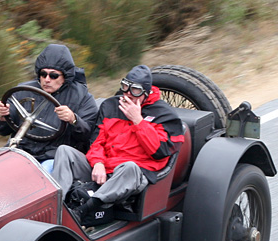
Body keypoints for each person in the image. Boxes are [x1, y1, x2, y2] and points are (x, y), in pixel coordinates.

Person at [52, 64, 184, 223]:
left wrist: (138, 121)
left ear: (146, 93)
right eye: (125, 87)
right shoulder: (110, 106)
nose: (128, 94)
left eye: (135, 91)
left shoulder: (164, 115)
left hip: (134, 173)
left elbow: (160, 151)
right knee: (65, 151)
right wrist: (98, 162)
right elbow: (96, 141)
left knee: (129, 167)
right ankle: (56, 204)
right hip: (105, 167)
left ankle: (84, 210)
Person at [0, 44, 98, 172]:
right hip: (21, 151)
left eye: (53, 76)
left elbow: (89, 135)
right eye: (43, 74)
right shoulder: (23, 91)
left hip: (54, 157)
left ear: (65, 77)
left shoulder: (82, 98)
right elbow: (2, 130)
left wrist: (73, 120)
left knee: (42, 172)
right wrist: (2, 117)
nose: (47, 79)